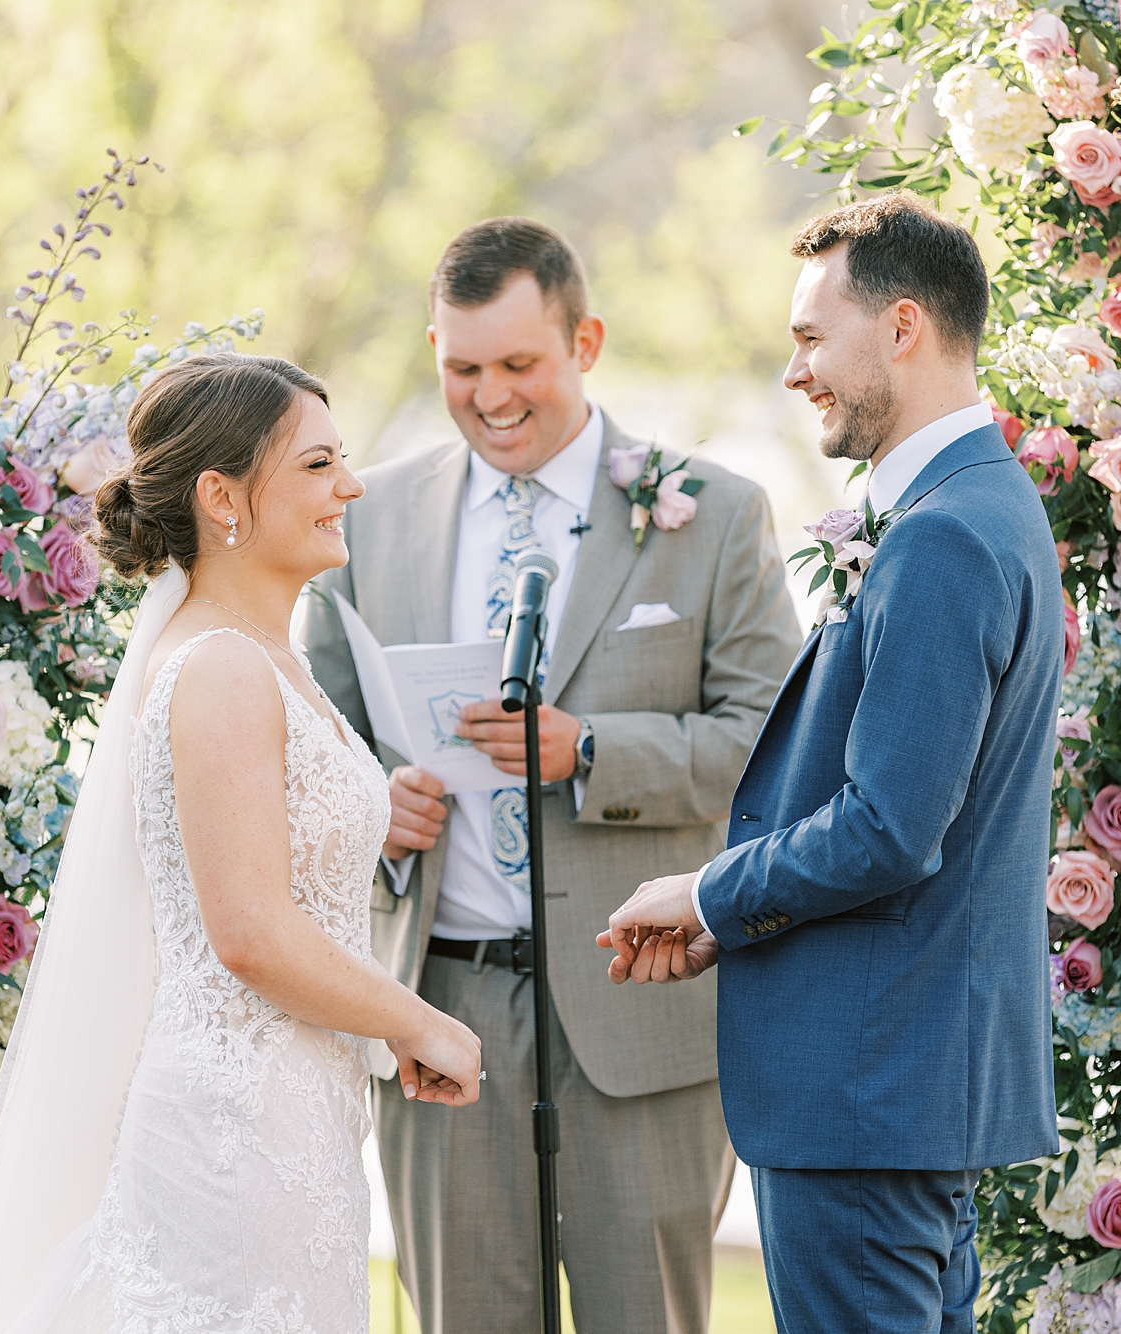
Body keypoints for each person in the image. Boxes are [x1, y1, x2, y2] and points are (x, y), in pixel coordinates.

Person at [298, 218, 800, 1334]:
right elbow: (311, 725)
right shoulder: (366, 519)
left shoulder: (713, 513)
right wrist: (370, 800)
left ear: (587, 341)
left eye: (519, 364)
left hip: (641, 1003)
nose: (490, 397)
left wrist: (592, 752)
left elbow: (772, 747)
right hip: (441, 1003)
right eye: (460, 367)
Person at [0, 353, 482, 1334]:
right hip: (233, 1133)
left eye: (342, 460)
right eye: (317, 466)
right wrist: (416, 1019)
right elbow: (249, 931)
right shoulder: (222, 666)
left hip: (292, 1117)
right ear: (222, 494)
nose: (349, 486)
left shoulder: (266, 654)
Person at [602, 193, 1063, 1334]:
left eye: (811, 337)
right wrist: (733, 923)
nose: (792, 370)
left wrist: (709, 888)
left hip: (866, 1088)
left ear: (900, 327)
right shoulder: (977, 506)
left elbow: (891, 825)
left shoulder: (945, 534)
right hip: (902, 1083)